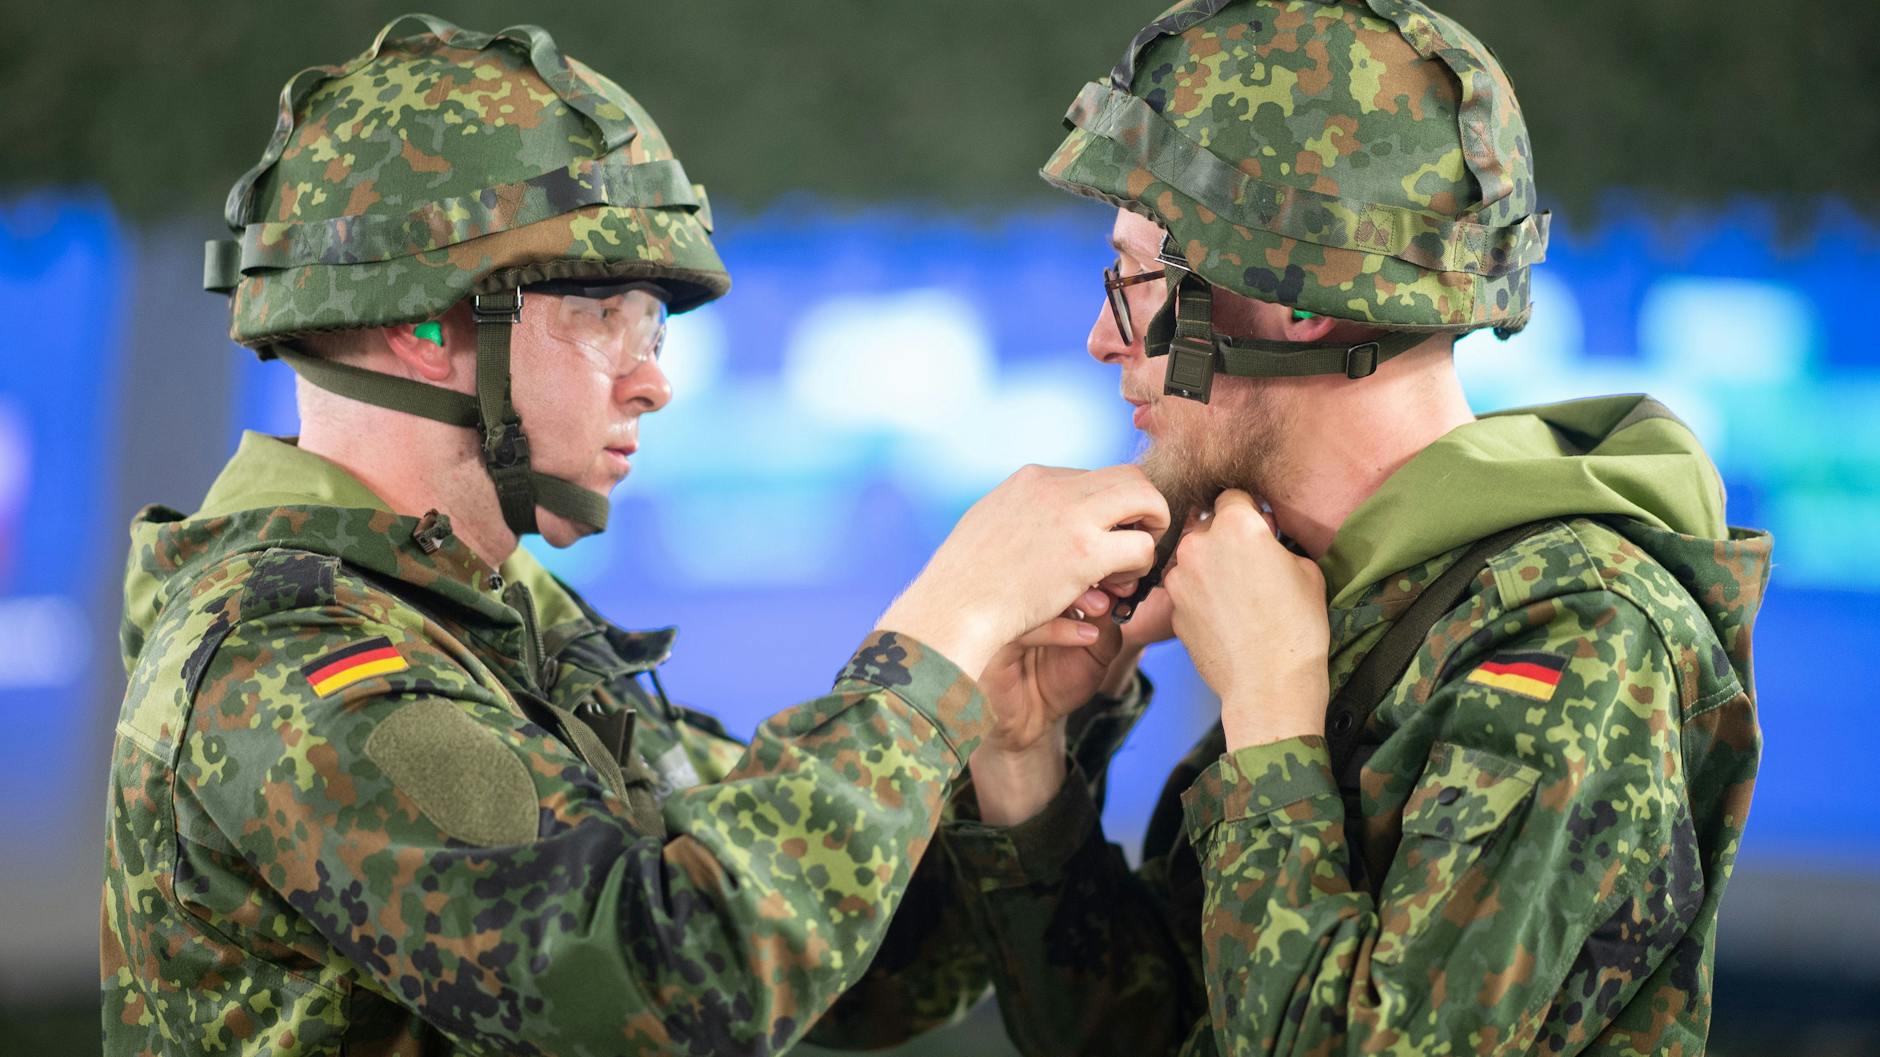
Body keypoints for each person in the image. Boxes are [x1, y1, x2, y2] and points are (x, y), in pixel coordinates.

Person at [99, 15, 1168, 1056]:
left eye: (647, 325)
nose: (651, 379)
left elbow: (862, 970)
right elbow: (672, 991)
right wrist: (946, 630)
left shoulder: (496, 621)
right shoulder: (288, 664)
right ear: (419, 323)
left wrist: (1003, 739)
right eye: (598, 314)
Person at [945, 1, 1773, 1054]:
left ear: (1294, 300)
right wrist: (1025, 764)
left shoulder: (1576, 634)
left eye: (1140, 279)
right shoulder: (1348, 592)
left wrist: (1269, 718)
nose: (1103, 337)